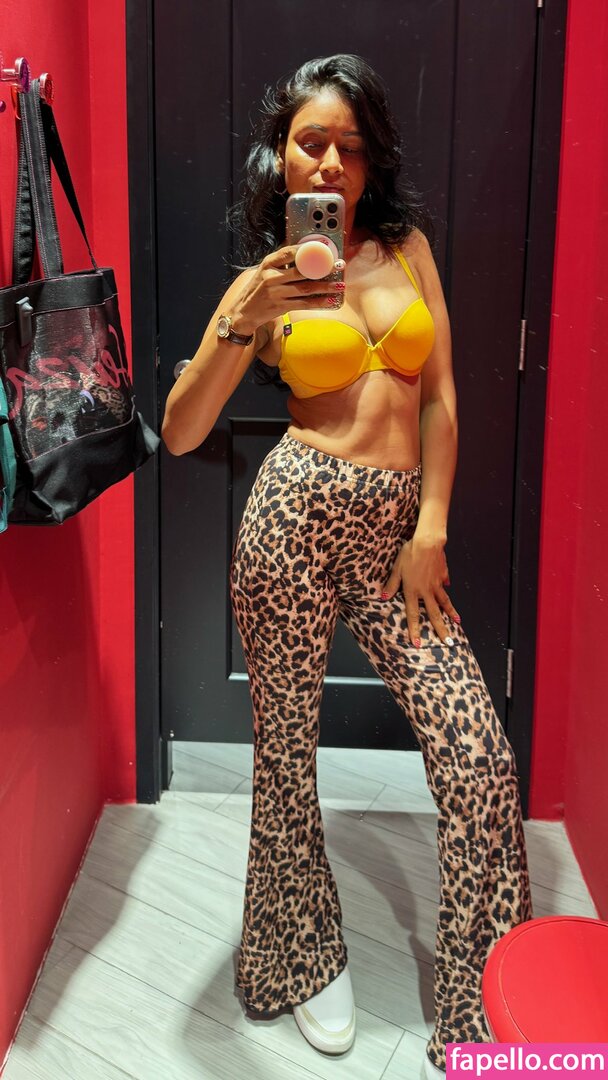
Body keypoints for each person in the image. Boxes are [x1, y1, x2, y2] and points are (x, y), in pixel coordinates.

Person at [161, 53, 534, 1079]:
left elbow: (439, 396)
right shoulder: (264, 282)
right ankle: (301, 961)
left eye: (351, 147)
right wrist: (246, 311)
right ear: (280, 156)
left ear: (372, 162)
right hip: (289, 526)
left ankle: (480, 1013)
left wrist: (432, 527)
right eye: (311, 142)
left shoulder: (407, 249)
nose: (330, 164)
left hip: (396, 543)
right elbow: (182, 431)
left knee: (479, 761)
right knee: (285, 762)